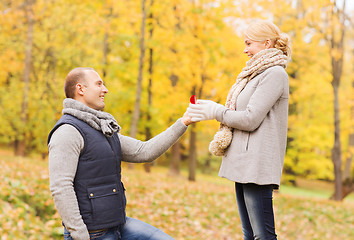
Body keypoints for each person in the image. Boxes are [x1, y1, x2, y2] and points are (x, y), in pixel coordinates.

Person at [48, 67, 192, 240]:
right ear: (80, 89)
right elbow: (60, 187)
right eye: (99, 84)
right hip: (92, 233)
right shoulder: (68, 131)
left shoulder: (103, 128)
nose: (105, 89)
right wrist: (80, 234)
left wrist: (184, 122)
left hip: (118, 224)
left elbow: (144, 151)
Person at [187, 20, 291, 240]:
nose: (245, 49)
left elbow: (251, 118)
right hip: (244, 163)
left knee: (262, 236)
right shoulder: (253, 74)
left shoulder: (274, 74)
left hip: (257, 167)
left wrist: (216, 111)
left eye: (248, 43)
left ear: (266, 43)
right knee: (249, 234)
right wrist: (210, 109)